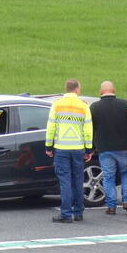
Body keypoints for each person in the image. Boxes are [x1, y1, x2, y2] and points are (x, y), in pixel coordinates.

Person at [46, 79, 93, 223]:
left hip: (61, 149)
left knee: (65, 181)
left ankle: (66, 214)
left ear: (66, 89)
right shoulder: (83, 106)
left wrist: (48, 146)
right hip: (78, 149)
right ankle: (78, 212)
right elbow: (88, 129)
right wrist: (89, 148)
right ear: (77, 89)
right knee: (78, 180)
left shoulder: (57, 105)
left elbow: (51, 127)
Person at [90, 81, 127, 215]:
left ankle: (111, 206)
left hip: (105, 149)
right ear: (114, 90)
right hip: (124, 147)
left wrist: (92, 147)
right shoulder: (124, 104)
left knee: (108, 177)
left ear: (100, 92)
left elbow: (90, 129)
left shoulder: (94, 107)